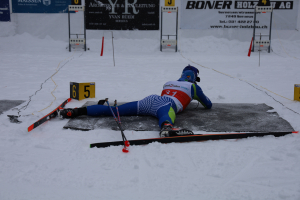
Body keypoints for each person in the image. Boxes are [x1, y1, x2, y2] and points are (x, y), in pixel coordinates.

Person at [59, 65, 212, 137]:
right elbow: (208, 104)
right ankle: (166, 127)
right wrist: (195, 92)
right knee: (166, 113)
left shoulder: (168, 82)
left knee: (116, 110)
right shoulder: (193, 86)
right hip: (165, 103)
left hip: (150, 100)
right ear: (193, 77)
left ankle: (77, 111)